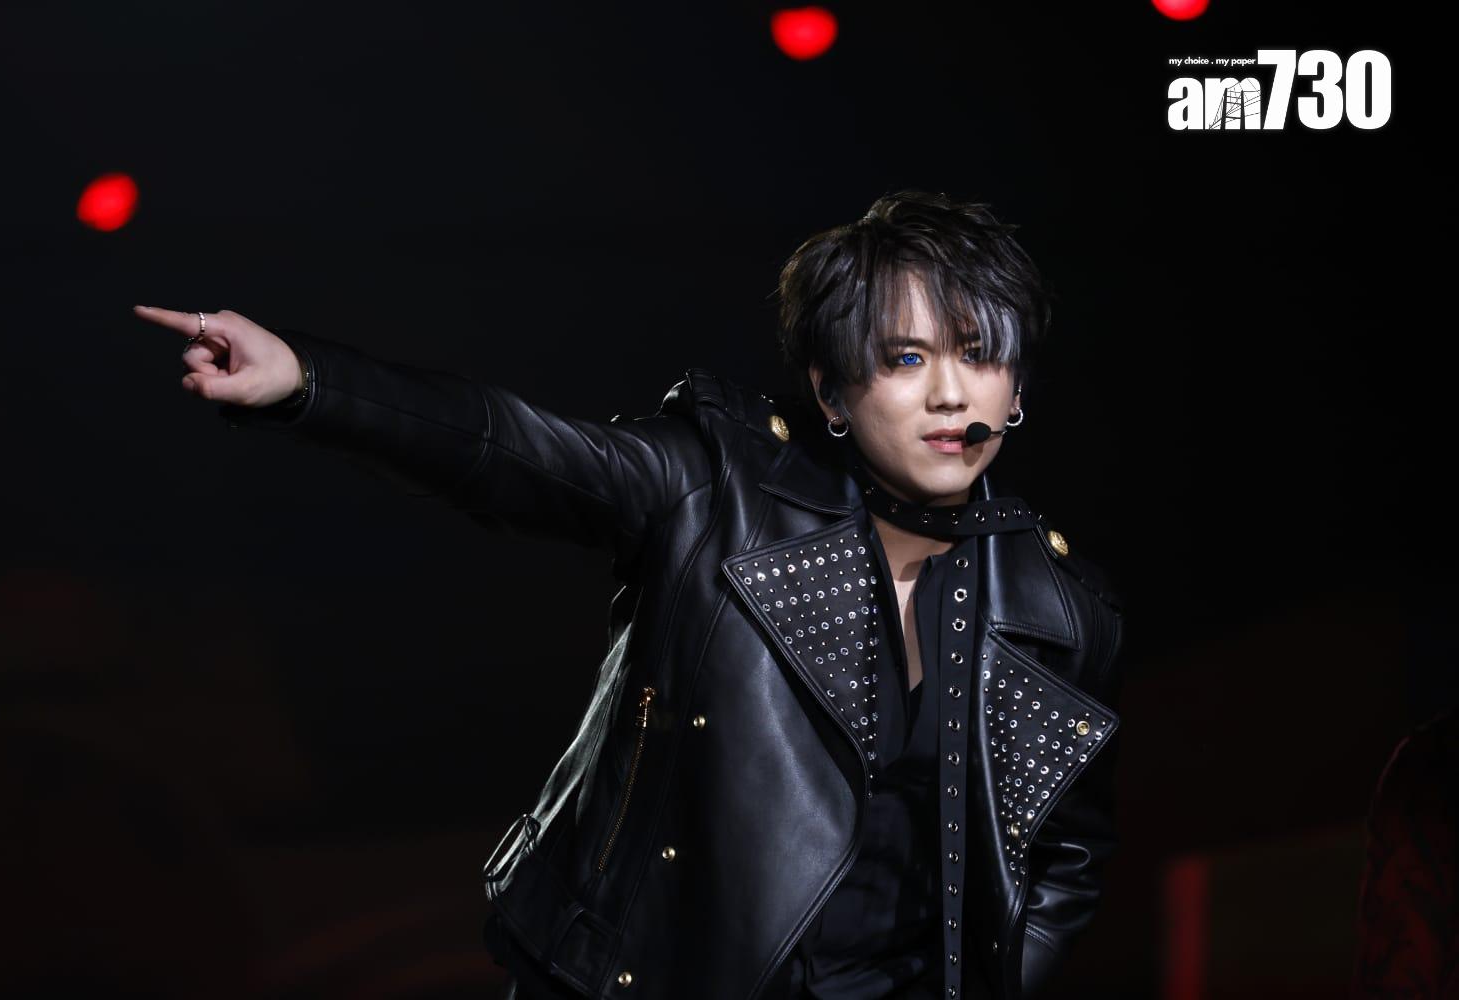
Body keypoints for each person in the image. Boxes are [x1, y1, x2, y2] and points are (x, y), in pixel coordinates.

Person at [135, 189, 1128, 1000]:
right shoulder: (717, 489)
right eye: (906, 358)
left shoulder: (1058, 609)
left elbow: (1065, 855)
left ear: (1017, 387)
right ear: (832, 390)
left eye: (981, 354)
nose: (952, 395)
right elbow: (512, 449)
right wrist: (308, 381)